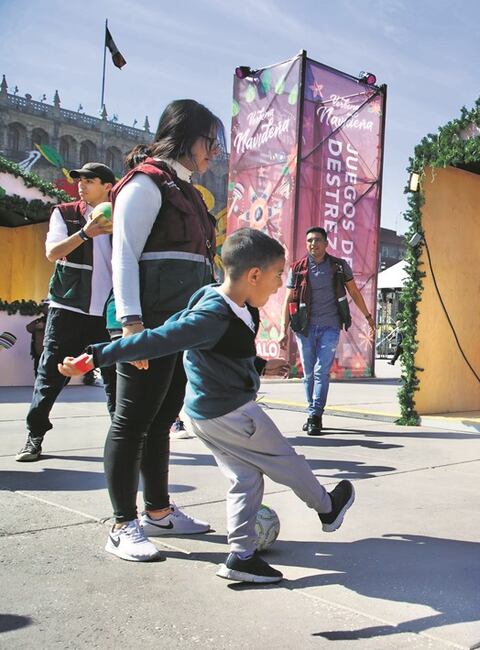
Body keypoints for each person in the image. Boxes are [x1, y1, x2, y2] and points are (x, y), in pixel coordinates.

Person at [59, 228, 356, 581]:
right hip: (232, 413)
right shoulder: (214, 315)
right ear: (254, 275)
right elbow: (165, 336)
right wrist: (96, 356)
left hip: (206, 415)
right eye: (278, 275)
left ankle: (241, 558)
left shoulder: (217, 299)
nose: (281, 284)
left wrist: (260, 364)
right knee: (286, 461)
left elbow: (206, 341)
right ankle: (327, 507)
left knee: (245, 478)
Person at [102, 99, 221, 560]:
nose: (214, 151)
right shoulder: (147, 183)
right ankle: (122, 524)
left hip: (176, 329)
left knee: (161, 421)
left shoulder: (186, 189)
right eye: (208, 141)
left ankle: (158, 512)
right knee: (131, 421)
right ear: (183, 136)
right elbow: (124, 254)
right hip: (145, 325)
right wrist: (132, 324)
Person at [16, 163, 118, 462]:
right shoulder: (65, 213)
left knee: (115, 379)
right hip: (68, 307)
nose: (81, 185)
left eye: (90, 181)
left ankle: (123, 444)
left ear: (108, 186)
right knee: (49, 376)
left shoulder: (123, 216)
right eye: (80, 181)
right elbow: (53, 252)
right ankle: (34, 435)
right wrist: (86, 232)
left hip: (110, 312)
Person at [284, 227, 375, 436]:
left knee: (320, 371)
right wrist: (283, 329)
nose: (312, 244)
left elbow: (353, 291)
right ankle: (312, 412)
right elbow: (289, 299)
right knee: (308, 374)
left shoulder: (338, 266)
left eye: (317, 240)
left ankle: (315, 415)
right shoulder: (298, 268)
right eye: (309, 241)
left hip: (330, 326)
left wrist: (368, 317)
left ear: (326, 243)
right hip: (304, 328)